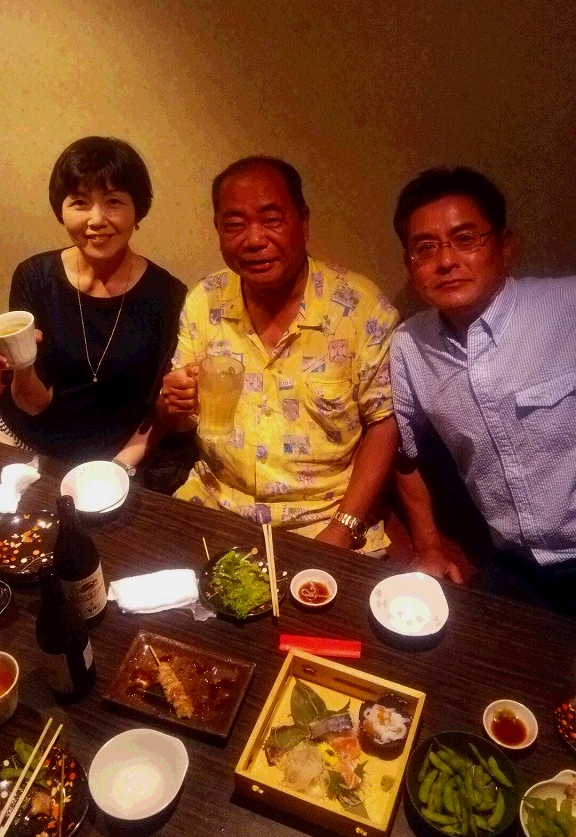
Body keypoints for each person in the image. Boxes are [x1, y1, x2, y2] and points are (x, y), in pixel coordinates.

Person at [158, 156, 399, 551]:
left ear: (303, 222)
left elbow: (383, 423)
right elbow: (179, 417)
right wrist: (171, 405)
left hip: (323, 517)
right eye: (235, 225)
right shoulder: (204, 300)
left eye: (271, 220)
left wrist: (343, 527)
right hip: (215, 503)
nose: (254, 240)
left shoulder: (361, 309)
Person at [389, 166, 576, 615]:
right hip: (515, 566)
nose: (446, 261)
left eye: (465, 239)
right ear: (410, 266)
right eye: (425, 248)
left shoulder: (567, 308)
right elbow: (405, 454)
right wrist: (429, 545)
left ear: (505, 247)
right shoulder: (410, 345)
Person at [0, 137, 186, 466]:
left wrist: (119, 468)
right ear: (61, 210)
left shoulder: (168, 295)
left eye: (113, 201)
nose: (96, 219)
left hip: (114, 461)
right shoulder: (34, 276)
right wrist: (21, 364)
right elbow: (33, 404)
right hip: (25, 443)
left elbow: (160, 410)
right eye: (80, 202)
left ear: (137, 209)